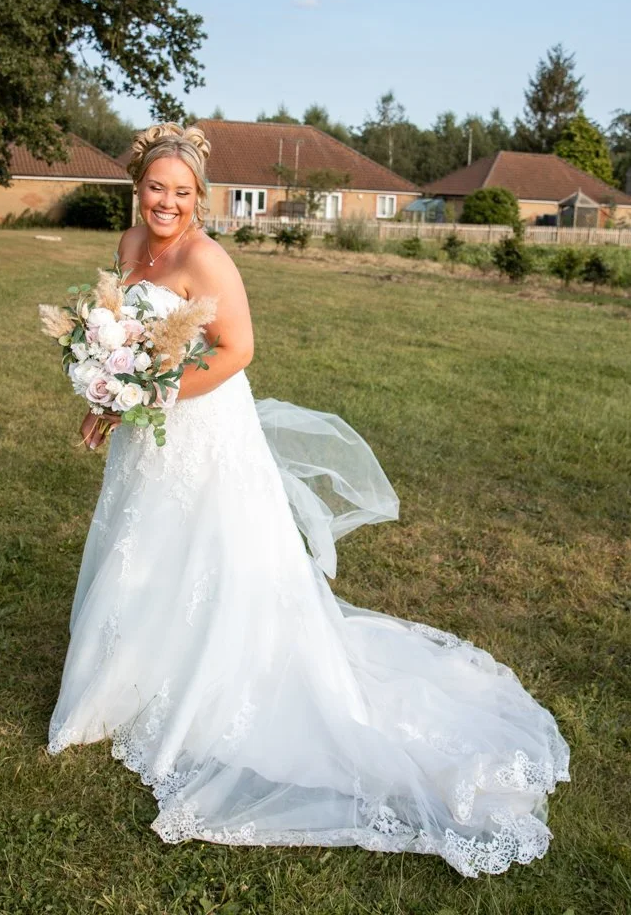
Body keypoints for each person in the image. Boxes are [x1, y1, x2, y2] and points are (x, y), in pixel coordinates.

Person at [48, 123, 570, 878]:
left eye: (181, 192)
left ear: (199, 197)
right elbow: (127, 336)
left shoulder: (206, 257)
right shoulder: (132, 247)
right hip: (149, 429)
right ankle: (127, 678)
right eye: (156, 188)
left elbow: (236, 352)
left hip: (203, 426)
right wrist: (111, 394)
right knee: (144, 543)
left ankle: (211, 680)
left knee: (214, 553)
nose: (166, 202)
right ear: (139, 187)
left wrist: (146, 393)